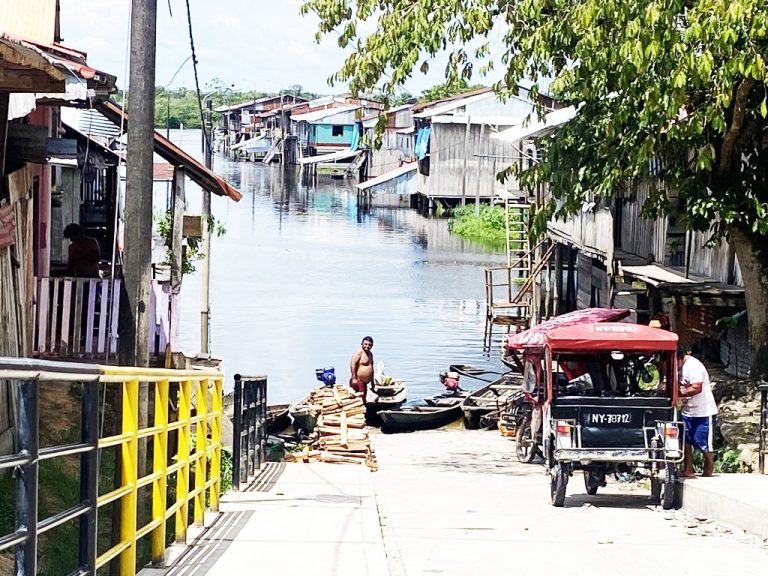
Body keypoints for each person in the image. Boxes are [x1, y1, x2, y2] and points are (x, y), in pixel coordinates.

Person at [678, 347, 718, 477]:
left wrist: (677, 393)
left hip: (703, 411)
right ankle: (688, 468)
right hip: (687, 411)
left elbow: (696, 388)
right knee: (686, 440)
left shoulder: (693, 366)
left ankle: (709, 465)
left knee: (703, 443)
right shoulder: (676, 367)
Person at [350, 336, 374, 403]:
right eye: (365, 344)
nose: (367, 346)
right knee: (359, 399)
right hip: (358, 380)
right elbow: (352, 364)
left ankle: (366, 411)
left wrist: (372, 382)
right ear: (362, 344)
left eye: (369, 345)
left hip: (364, 382)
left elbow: (371, 367)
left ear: (372, 345)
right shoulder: (359, 352)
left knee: (364, 398)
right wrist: (354, 378)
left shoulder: (370, 354)